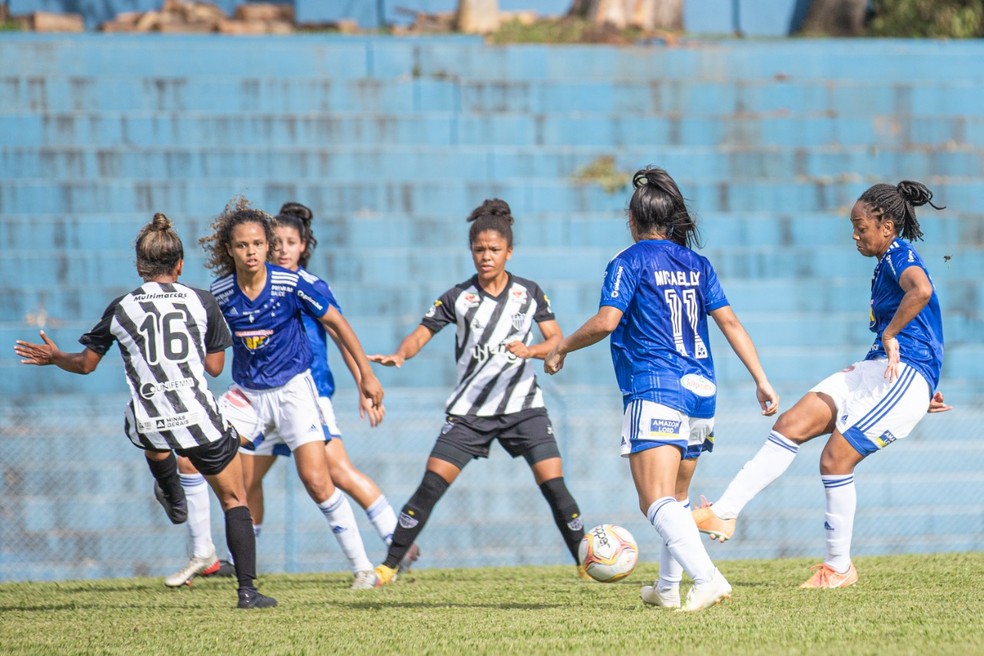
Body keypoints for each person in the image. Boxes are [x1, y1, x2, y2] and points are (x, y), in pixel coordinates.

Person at [691, 180, 950, 589]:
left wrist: (896, 343)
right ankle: (725, 510)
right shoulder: (886, 260)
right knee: (791, 424)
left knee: (834, 460)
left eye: (860, 226)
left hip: (902, 372)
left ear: (885, 225)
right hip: (882, 372)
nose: (854, 234)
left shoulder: (901, 255)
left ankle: (839, 568)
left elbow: (921, 291)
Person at [544, 167, 779, 612]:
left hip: (655, 386)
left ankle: (707, 578)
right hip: (702, 391)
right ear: (670, 221)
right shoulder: (698, 264)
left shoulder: (628, 261)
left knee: (654, 500)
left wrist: (562, 347)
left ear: (633, 220)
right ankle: (667, 588)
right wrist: (761, 378)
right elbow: (729, 322)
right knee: (677, 498)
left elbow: (606, 322)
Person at [14, 213, 276, 609]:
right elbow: (216, 368)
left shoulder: (122, 308)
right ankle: (248, 592)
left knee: (151, 430)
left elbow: (85, 364)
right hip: (198, 418)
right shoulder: (200, 301)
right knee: (234, 498)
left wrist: (55, 357)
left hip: (149, 423)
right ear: (180, 265)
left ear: (139, 267)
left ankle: (171, 491)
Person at [164, 203, 417, 587]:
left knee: (319, 481)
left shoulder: (292, 285)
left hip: (294, 392)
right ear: (228, 250)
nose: (252, 251)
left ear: (266, 247)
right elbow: (212, 361)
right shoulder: (218, 295)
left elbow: (337, 323)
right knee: (189, 458)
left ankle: (364, 568)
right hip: (247, 396)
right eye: (243, 245)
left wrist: (366, 376)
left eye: (258, 244)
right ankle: (204, 553)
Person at [369, 198, 586, 586]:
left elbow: (556, 340)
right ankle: (387, 567)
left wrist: (533, 351)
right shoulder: (457, 297)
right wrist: (401, 354)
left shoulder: (529, 292)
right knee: (430, 487)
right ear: (471, 251)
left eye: (494, 250)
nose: (486, 257)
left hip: (524, 408)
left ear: (509, 252)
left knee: (555, 487)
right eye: (479, 250)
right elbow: (423, 332)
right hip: (469, 412)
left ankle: (586, 563)